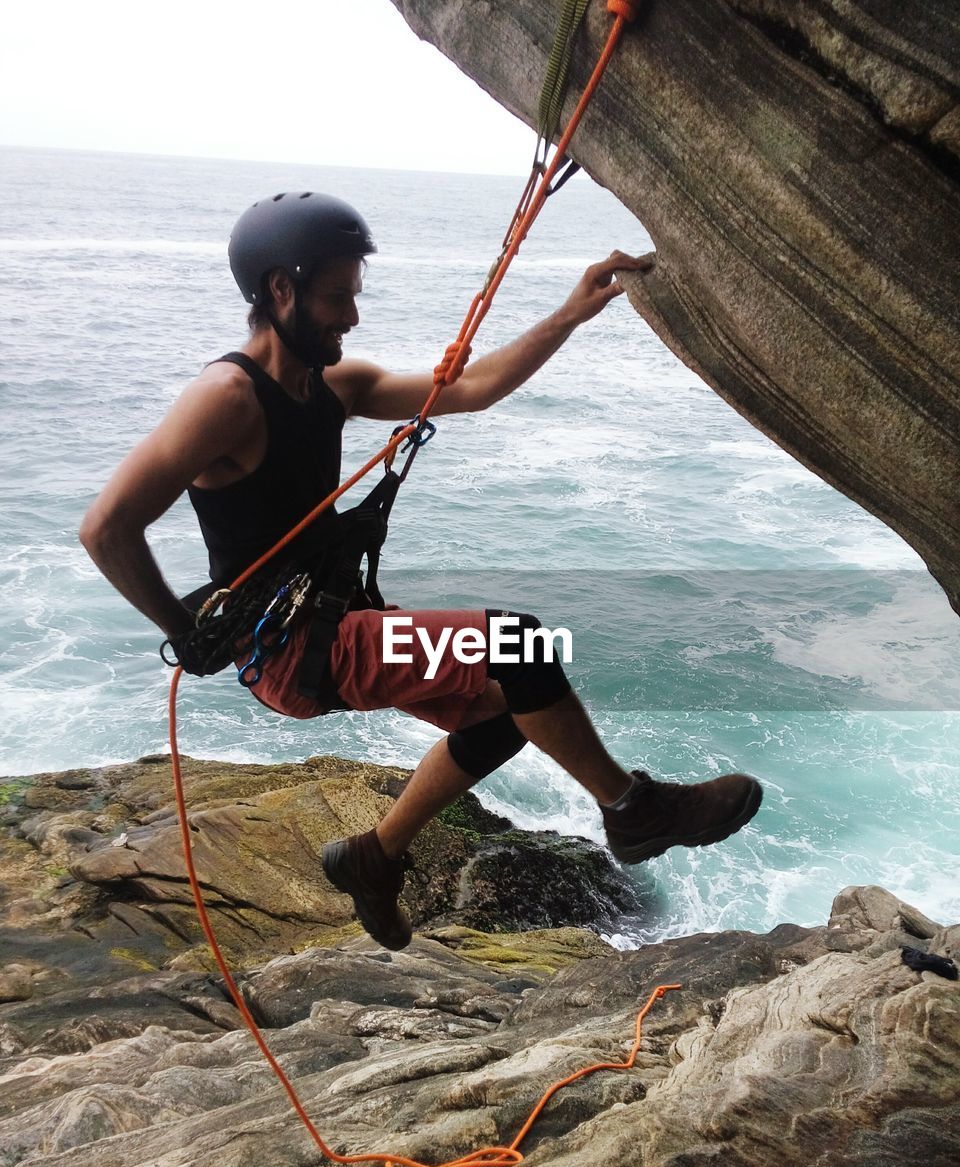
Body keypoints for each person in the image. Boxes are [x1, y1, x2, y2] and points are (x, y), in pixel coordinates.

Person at [80, 192, 762, 951]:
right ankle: (634, 810)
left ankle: (375, 855)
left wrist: (569, 314)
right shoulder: (227, 398)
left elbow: (472, 389)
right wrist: (185, 632)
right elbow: (107, 528)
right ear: (282, 290)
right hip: (296, 651)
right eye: (338, 297)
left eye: (353, 298)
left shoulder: (332, 389)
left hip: (337, 626)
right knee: (522, 646)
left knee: (506, 708)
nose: (351, 318)